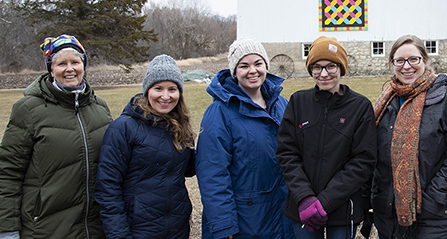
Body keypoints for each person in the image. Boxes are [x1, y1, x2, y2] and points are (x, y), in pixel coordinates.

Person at [0, 35, 113, 239]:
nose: (69, 69)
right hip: (46, 229)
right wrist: (7, 230)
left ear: (83, 65)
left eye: (75, 62)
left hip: (95, 229)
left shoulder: (99, 107)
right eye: (61, 63)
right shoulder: (28, 110)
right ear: (51, 69)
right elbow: (8, 173)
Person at [372, 34, 447, 239]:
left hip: (439, 215)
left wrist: (434, 199)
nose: (407, 66)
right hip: (390, 217)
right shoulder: (385, 103)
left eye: (414, 59)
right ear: (391, 64)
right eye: (400, 60)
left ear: (425, 61)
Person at [277, 36, 377, 239]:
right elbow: (287, 153)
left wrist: (325, 201)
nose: (323, 74)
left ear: (341, 68)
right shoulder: (298, 102)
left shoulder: (360, 107)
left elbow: (363, 161)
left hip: (342, 207)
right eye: (316, 67)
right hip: (302, 206)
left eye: (331, 66)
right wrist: (304, 197)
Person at [195, 37, 294, 238]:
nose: (252, 71)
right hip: (246, 220)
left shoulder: (281, 104)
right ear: (234, 72)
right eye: (244, 65)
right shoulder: (220, 112)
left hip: (283, 213)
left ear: (266, 66)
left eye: (258, 63)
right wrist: (223, 224)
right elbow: (213, 172)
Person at [95, 54, 196, 239]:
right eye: (158, 88)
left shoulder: (180, 128)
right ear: (147, 90)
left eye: (172, 89)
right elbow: (108, 188)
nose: (165, 96)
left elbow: (189, 168)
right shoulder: (123, 128)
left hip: (177, 229)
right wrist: (119, 235)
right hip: (137, 230)